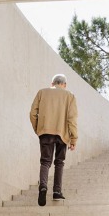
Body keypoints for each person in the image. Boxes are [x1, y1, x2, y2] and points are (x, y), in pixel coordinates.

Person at [29, 74, 78, 206]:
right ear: (65, 84)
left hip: (45, 132)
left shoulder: (42, 92)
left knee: (45, 162)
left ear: (52, 83)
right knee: (59, 162)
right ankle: (57, 191)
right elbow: (71, 119)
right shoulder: (70, 96)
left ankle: (43, 186)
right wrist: (74, 138)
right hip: (62, 134)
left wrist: (38, 129)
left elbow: (33, 113)